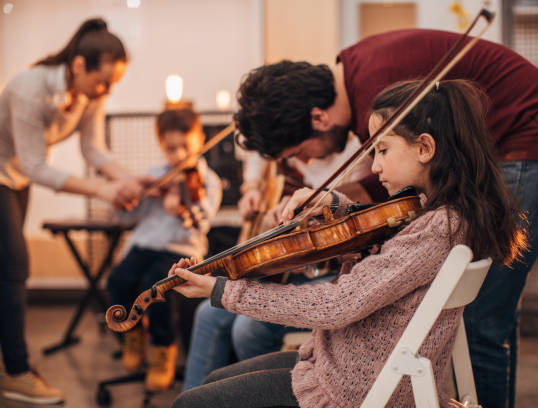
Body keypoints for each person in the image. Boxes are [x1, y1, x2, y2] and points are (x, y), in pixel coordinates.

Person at [233, 29, 538, 408]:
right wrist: (334, 203)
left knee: (485, 318)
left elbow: (396, 182)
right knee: (483, 314)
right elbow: (392, 187)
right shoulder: (354, 73)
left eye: (301, 152)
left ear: (318, 117)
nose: (308, 163)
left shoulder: (378, 87)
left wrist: (334, 204)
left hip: (533, 138)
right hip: (513, 142)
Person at [168, 79, 526, 408]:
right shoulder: (436, 213)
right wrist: (334, 205)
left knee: (192, 403)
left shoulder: (438, 228)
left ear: (425, 148)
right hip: (343, 365)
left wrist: (224, 291)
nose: (374, 165)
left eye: (383, 150)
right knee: (215, 381)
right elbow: (381, 236)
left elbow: (337, 304)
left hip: (353, 387)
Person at [0, 18, 146, 405]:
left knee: (6, 269)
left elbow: (94, 151)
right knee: (14, 268)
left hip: (14, 179)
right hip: (5, 174)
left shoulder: (89, 95)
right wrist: (103, 188)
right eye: (103, 81)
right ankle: (15, 372)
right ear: (79, 65)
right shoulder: (29, 88)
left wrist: (130, 181)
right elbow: (34, 165)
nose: (107, 91)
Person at [182, 138, 370, 391]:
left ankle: (262, 393)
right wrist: (253, 191)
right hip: (293, 270)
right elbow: (259, 155)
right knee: (206, 314)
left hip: (329, 273)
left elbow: (358, 213)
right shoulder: (284, 148)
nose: (301, 161)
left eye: (298, 149)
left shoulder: (358, 155)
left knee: (247, 329)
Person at [106, 107, 222, 392]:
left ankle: (162, 349)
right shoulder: (154, 175)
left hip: (180, 249)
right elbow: (125, 218)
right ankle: (133, 334)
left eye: (185, 146)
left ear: (199, 138)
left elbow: (201, 224)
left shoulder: (207, 181)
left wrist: (181, 208)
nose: (179, 155)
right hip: (144, 244)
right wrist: (136, 194)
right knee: (117, 280)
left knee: (156, 289)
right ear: (160, 145)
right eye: (171, 149)